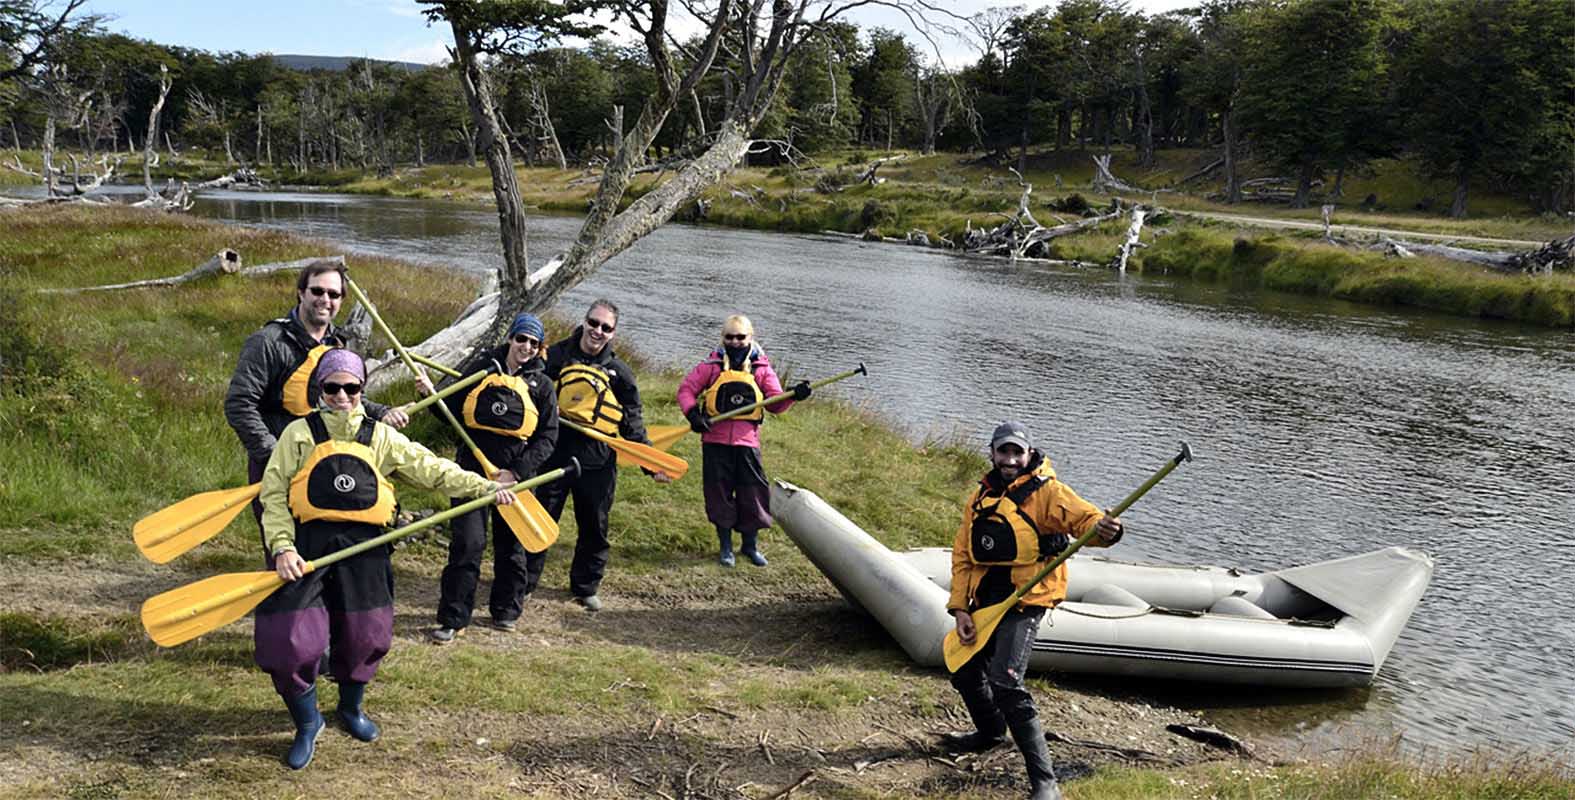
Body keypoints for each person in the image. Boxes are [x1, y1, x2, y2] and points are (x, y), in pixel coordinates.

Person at [253, 349, 518, 770]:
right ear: (320, 389)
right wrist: (283, 547)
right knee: (287, 642)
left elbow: (434, 469)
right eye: (332, 387)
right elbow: (273, 494)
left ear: (362, 389)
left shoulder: (380, 436)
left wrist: (485, 487)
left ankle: (350, 708)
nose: (342, 396)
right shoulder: (298, 434)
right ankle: (307, 722)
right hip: (307, 549)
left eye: (351, 387)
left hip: (366, 550)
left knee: (366, 637)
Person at [943, 421, 1125, 800]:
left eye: (1017, 453)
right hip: (986, 599)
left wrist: (1107, 531)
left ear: (1028, 454)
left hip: (1027, 599)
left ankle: (1045, 782)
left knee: (1006, 682)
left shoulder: (1048, 492)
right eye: (1003, 452)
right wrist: (960, 608)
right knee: (964, 669)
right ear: (992, 453)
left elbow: (1086, 520)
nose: (1010, 460)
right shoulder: (981, 496)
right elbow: (963, 555)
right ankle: (991, 732)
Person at [224, 260, 410, 554]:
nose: (325, 299)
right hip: (276, 456)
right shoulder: (267, 342)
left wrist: (382, 412)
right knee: (285, 551)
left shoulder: (337, 344)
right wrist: (274, 454)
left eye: (334, 294)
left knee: (320, 548)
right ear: (301, 292)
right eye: (318, 291)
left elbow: (344, 396)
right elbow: (240, 404)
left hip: (323, 460)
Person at [414, 313, 559, 644]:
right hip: (471, 470)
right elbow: (448, 411)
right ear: (510, 338)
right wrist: (428, 394)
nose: (525, 347)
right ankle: (453, 618)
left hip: (516, 477)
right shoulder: (482, 369)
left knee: (511, 546)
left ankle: (506, 610)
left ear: (539, 348)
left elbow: (548, 437)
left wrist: (517, 472)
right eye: (521, 339)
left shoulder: (542, 386)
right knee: (468, 543)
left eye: (533, 343)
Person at [527, 299, 670, 612]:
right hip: (555, 452)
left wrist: (651, 464)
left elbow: (632, 423)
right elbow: (528, 388)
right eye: (593, 323)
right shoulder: (555, 356)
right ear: (585, 321)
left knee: (595, 524)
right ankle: (524, 582)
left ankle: (586, 586)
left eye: (606, 327)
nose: (598, 331)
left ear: (613, 333)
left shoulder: (621, 374)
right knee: (540, 518)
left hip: (597, 459)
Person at [675, 315, 811, 567]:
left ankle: (750, 546)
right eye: (730, 337)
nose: (735, 342)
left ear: (751, 337)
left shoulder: (762, 369)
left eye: (741, 337)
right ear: (722, 338)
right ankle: (725, 546)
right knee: (719, 493)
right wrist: (693, 414)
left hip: (747, 443)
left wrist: (794, 395)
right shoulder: (711, 366)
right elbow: (686, 391)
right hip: (715, 441)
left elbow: (776, 404)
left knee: (753, 493)